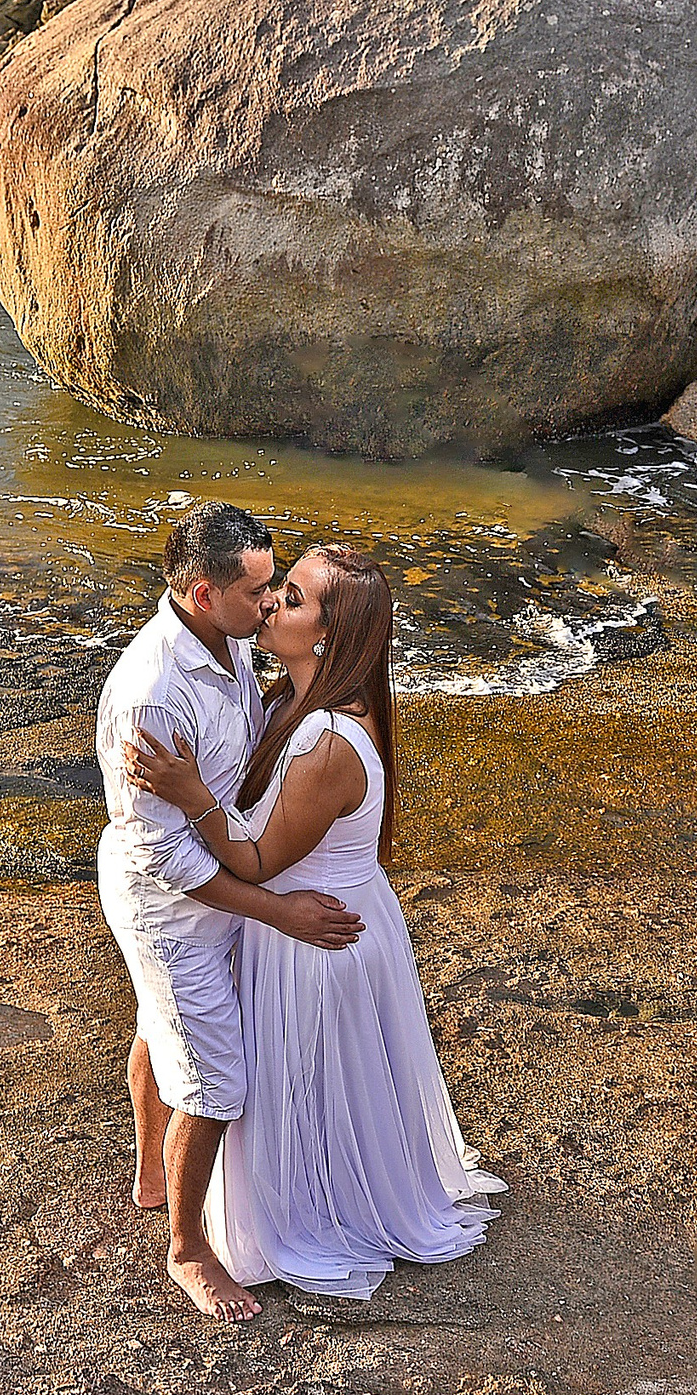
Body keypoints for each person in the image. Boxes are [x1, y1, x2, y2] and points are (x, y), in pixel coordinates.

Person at [127, 544, 503, 1303]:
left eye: (291, 598)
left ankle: (274, 1212)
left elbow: (259, 860)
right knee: (169, 1024)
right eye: (276, 590)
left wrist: (185, 787)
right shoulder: (287, 699)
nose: (269, 605)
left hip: (313, 938)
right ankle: (153, 1175)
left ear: (327, 636)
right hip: (298, 926)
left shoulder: (329, 740)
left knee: (307, 1093)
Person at [95, 502, 366, 1323]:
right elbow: (165, 856)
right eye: (258, 592)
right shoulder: (151, 695)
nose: (273, 602)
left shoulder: (231, 641)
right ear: (204, 593)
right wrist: (275, 910)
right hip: (172, 906)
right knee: (216, 1084)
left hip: (210, 887)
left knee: (156, 1025)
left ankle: (151, 1171)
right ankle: (187, 1249)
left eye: (280, 585)